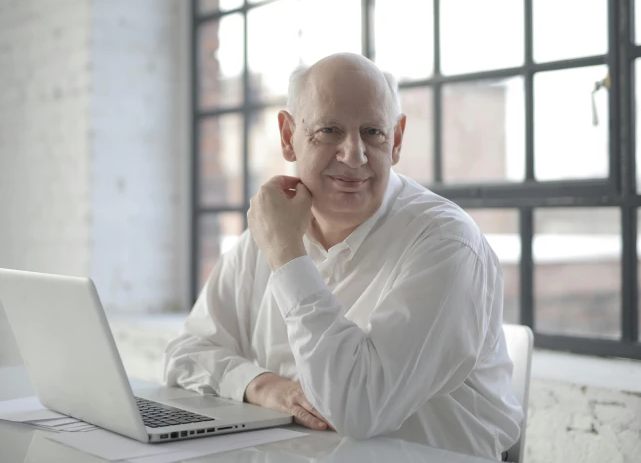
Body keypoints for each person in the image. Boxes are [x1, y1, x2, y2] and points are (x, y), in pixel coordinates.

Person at [165, 53, 522, 459]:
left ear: (397, 140)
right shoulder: (271, 228)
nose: (354, 155)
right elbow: (185, 355)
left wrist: (287, 257)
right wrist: (264, 386)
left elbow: (358, 408)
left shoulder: (447, 245)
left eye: (373, 132)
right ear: (287, 136)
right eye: (329, 130)